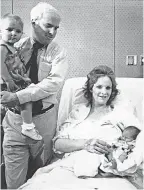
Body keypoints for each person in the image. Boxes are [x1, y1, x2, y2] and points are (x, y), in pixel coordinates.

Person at [18, 65, 142, 190]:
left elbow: (140, 137)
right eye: (99, 87)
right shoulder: (77, 113)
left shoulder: (121, 114)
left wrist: (119, 166)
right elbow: (58, 144)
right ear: (91, 88)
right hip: (71, 169)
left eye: (108, 88)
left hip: (108, 174)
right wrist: (85, 144)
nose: (104, 92)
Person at [0, 2, 68, 189]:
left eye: (56, 28)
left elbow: (52, 84)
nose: (53, 32)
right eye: (48, 25)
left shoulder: (58, 52)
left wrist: (18, 96)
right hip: (15, 121)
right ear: (34, 22)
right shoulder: (14, 46)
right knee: (14, 182)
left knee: (43, 179)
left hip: (44, 124)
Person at [0, 13, 42, 141]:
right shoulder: (3, 47)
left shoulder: (14, 47)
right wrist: (8, 80)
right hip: (9, 81)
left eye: (18, 31)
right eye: (9, 29)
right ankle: (28, 126)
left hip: (16, 79)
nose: (14, 33)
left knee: (26, 97)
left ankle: (25, 125)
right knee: (25, 99)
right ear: (0, 31)